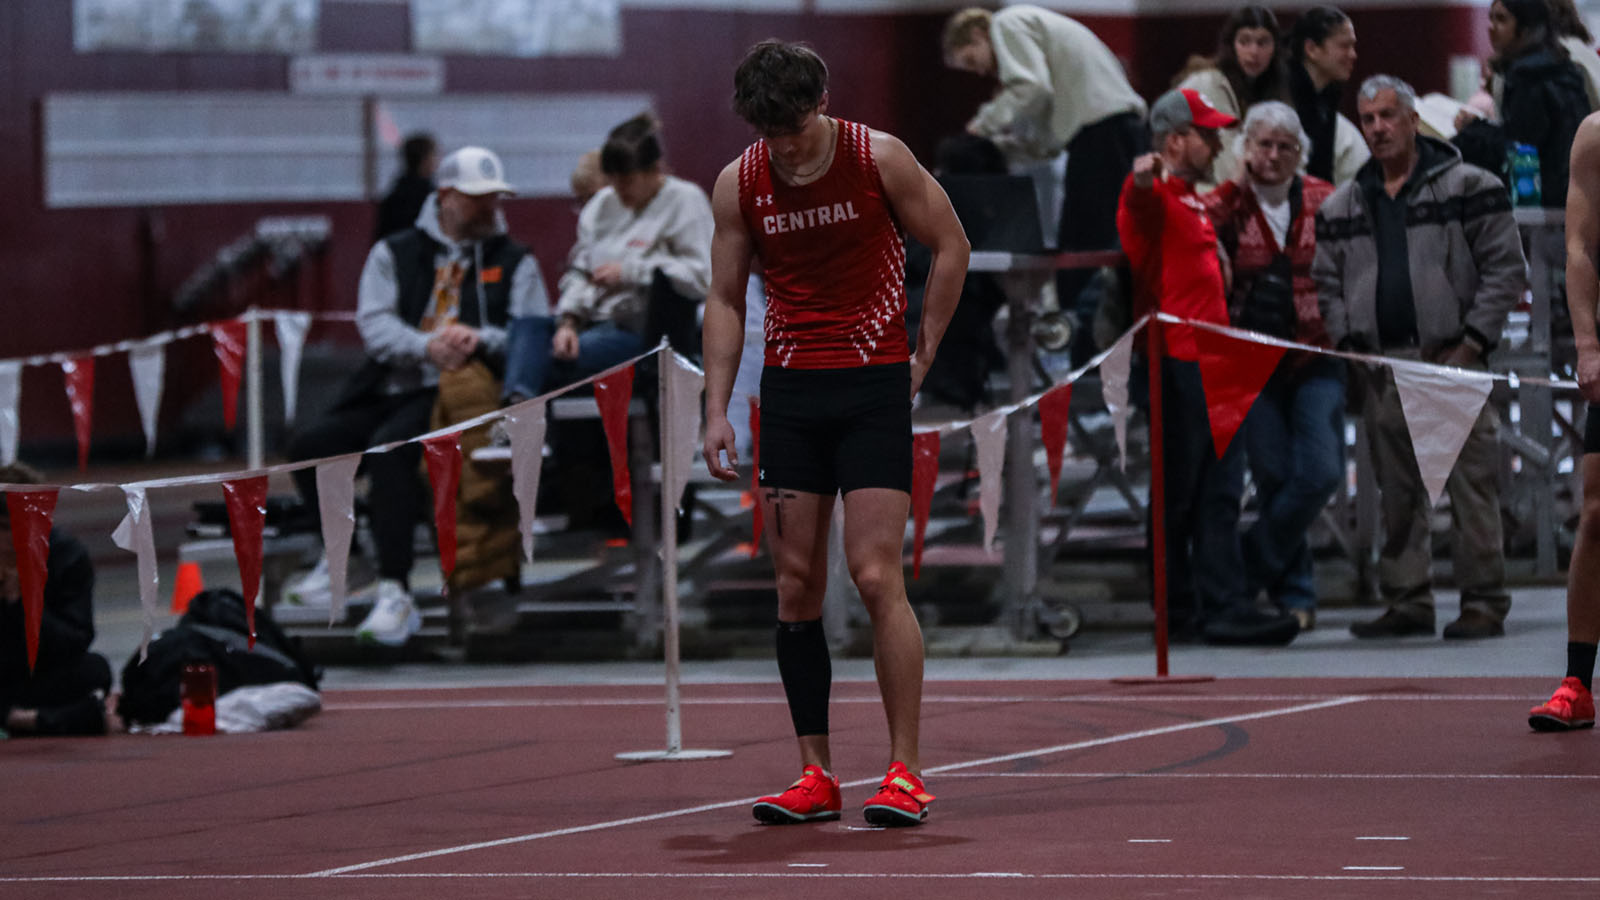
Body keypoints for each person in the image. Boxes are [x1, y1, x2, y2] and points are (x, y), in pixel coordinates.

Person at [701, 40, 969, 827]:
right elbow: (723, 296)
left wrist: (924, 350)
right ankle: (815, 774)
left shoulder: (877, 156)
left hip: (870, 386)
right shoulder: (739, 182)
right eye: (767, 131)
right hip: (789, 391)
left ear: (820, 105)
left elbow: (950, 245)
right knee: (794, 587)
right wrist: (717, 406)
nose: (782, 145)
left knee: (878, 575)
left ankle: (905, 770)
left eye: (793, 128)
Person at [285, 145, 548, 647]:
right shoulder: (393, 252)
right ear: (445, 196)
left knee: (391, 453)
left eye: (495, 198)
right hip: (391, 382)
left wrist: (479, 339)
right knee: (310, 446)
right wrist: (425, 346)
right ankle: (346, 557)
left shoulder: (517, 260)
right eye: (478, 199)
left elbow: (530, 327)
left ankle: (396, 591)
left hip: (461, 395)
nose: (491, 208)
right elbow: (375, 323)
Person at [1313, 75, 1525, 640]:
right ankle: (1408, 599)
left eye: (1387, 116)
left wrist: (1473, 343)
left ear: (1412, 120)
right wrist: (1350, 345)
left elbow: (1507, 270)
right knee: (1394, 491)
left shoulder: (1471, 186)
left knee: (1471, 488)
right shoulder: (1342, 204)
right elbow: (1326, 284)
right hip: (1384, 364)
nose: (1378, 128)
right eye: (1368, 119)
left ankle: (1483, 600)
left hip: (1452, 355)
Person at [1117, 88, 1301, 647]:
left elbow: (1228, 191)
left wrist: (1250, 168)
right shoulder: (1151, 198)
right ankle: (1176, 610)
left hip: (1214, 365)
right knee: (1179, 496)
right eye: (1207, 133)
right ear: (1175, 140)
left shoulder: (1195, 200)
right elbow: (1139, 198)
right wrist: (1144, 176)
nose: (1218, 141)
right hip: (1176, 365)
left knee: (1221, 494)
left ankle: (1222, 604)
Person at [1204, 102, 1341, 631]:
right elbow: (1193, 221)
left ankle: (1250, 563)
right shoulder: (1226, 203)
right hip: (1250, 360)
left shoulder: (1326, 199)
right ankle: (1297, 594)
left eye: (1285, 146)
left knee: (1321, 471)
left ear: (1299, 152)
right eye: (1263, 144)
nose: (1274, 155)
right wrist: (1235, 185)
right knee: (1274, 475)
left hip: (1316, 353)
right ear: (1246, 149)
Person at [941, 5, 1146, 322]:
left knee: (1084, 252)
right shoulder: (1036, 30)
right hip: (1115, 135)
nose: (981, 72)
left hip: (1102, 139)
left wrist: (982, 125)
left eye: (972, 60)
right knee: (1110, 245)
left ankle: (1080, 340)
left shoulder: (1006, 23)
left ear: (979, 34)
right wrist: (1013, 148)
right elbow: (1048, 135)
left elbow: (1030, 88)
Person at [501, 114, 712, 404]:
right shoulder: (602, 205)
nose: (620, 191)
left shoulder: (685, 201)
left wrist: (631, 272)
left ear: (654, 170)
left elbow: (702, 277)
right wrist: (568, 322)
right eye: (614, 182)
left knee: (537, 359)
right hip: (590, 322)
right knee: (528, 328)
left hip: (642, 333)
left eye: (627, 181)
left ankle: (517, 413)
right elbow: (579, 270)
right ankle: (517, 404)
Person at [1529, 111, 1600, 729]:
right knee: (1598, 512)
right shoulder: (1595, 135)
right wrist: (1587, 345)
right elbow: (1578, 246)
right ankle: (1577, 684)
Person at [0, 463, 117, 736]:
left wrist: (21, 603)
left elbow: (76, 639)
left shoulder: (66, 556)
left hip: (41, 672)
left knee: (95, 670)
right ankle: (41, 719)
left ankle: (20, 719)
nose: (13, 537)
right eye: (6, 527)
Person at [1454, 0, 1590, 208]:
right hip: (1576, 192)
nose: (1491, 27)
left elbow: (1521, 147)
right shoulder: (1562, 67)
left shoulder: (1530, 77)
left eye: (1501, 19)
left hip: (1545, 199)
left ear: (1525, 28)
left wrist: (1474, 131)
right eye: (1490, 18)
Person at [1175, 5, 1292, 187]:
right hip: (1194, 189)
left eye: (1262, 43)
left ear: (1275, 47)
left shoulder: (1276, 87)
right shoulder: (1210, 83)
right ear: (1232, 46)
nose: (1254, 52)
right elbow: (1228, 169)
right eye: (1244, 42)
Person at [1288, 6, 1369, 185]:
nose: (1353, 55)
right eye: (1344, 46)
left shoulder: (1327, 98)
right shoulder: (1284, 102)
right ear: (1312, 49)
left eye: (1353, 46)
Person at [374, 132, 438, 242]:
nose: (437, 160)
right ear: (425, 160)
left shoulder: (394, 192)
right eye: (434, 155)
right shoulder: (431, 196)